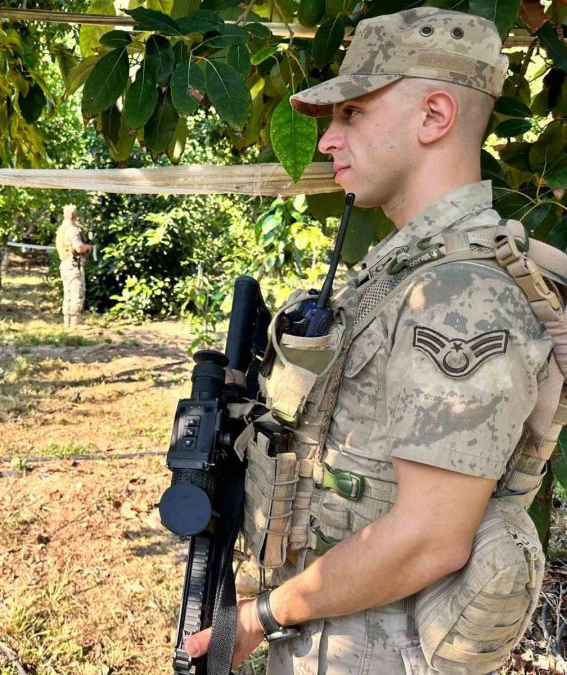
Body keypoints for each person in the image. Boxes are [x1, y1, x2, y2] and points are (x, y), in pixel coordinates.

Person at [184, 8, 556, 673]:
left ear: (434, 117)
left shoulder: (459, 296)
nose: (327, 141)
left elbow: (428, 537)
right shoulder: (402, 271)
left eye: (351, 114)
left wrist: (259, 618)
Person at [55, 204, 91, 328]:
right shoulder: (72, 230)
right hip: (73, 264)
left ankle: (67, 323)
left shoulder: (61, 229)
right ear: (74, 215)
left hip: (65, 264)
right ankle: (74, 323)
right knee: (76, 292)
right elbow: (79, 248)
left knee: (67, 293)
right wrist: (88, 247)